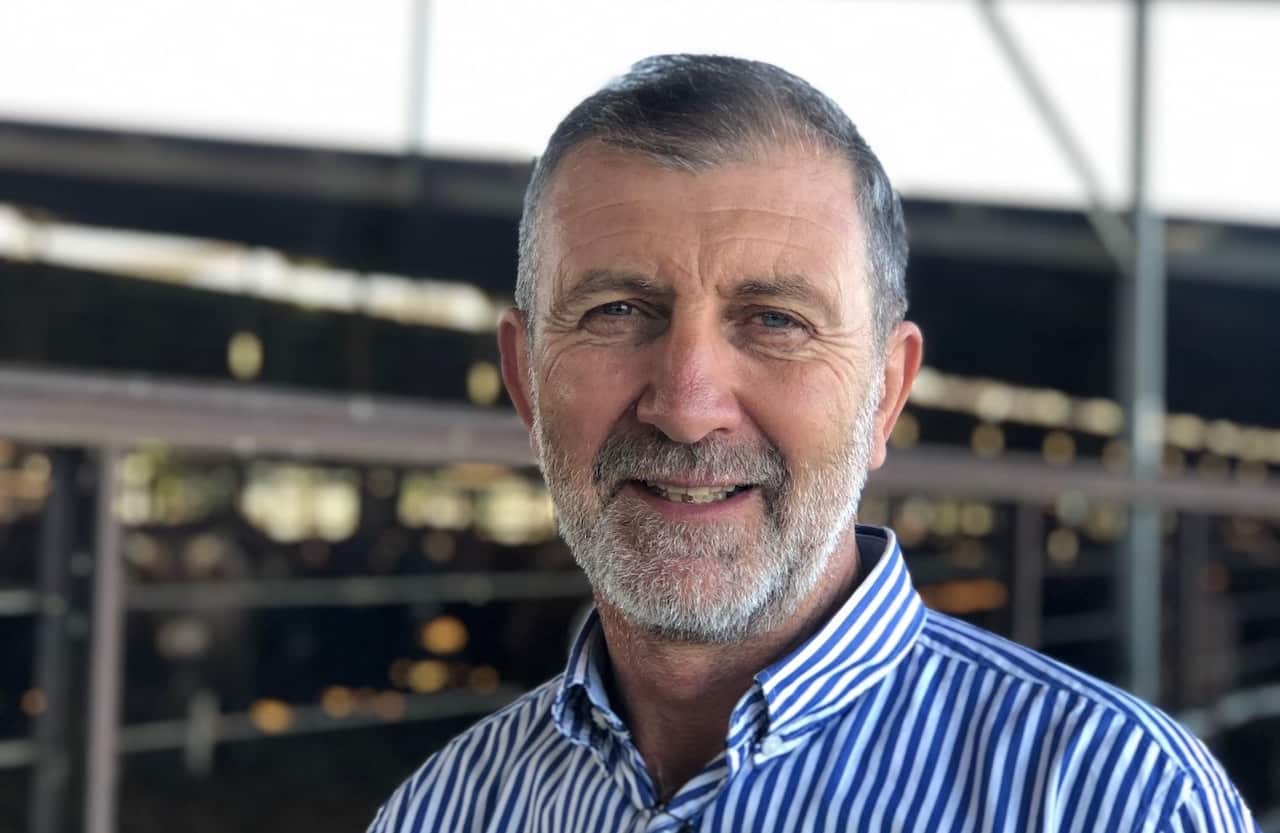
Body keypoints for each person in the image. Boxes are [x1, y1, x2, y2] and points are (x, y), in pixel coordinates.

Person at [368, 54, 1257, 832]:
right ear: (526, 381)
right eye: (618, 311)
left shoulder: (1114, 802)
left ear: (885, 394)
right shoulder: (437, 811)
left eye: (775, 320)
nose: (688, 407)